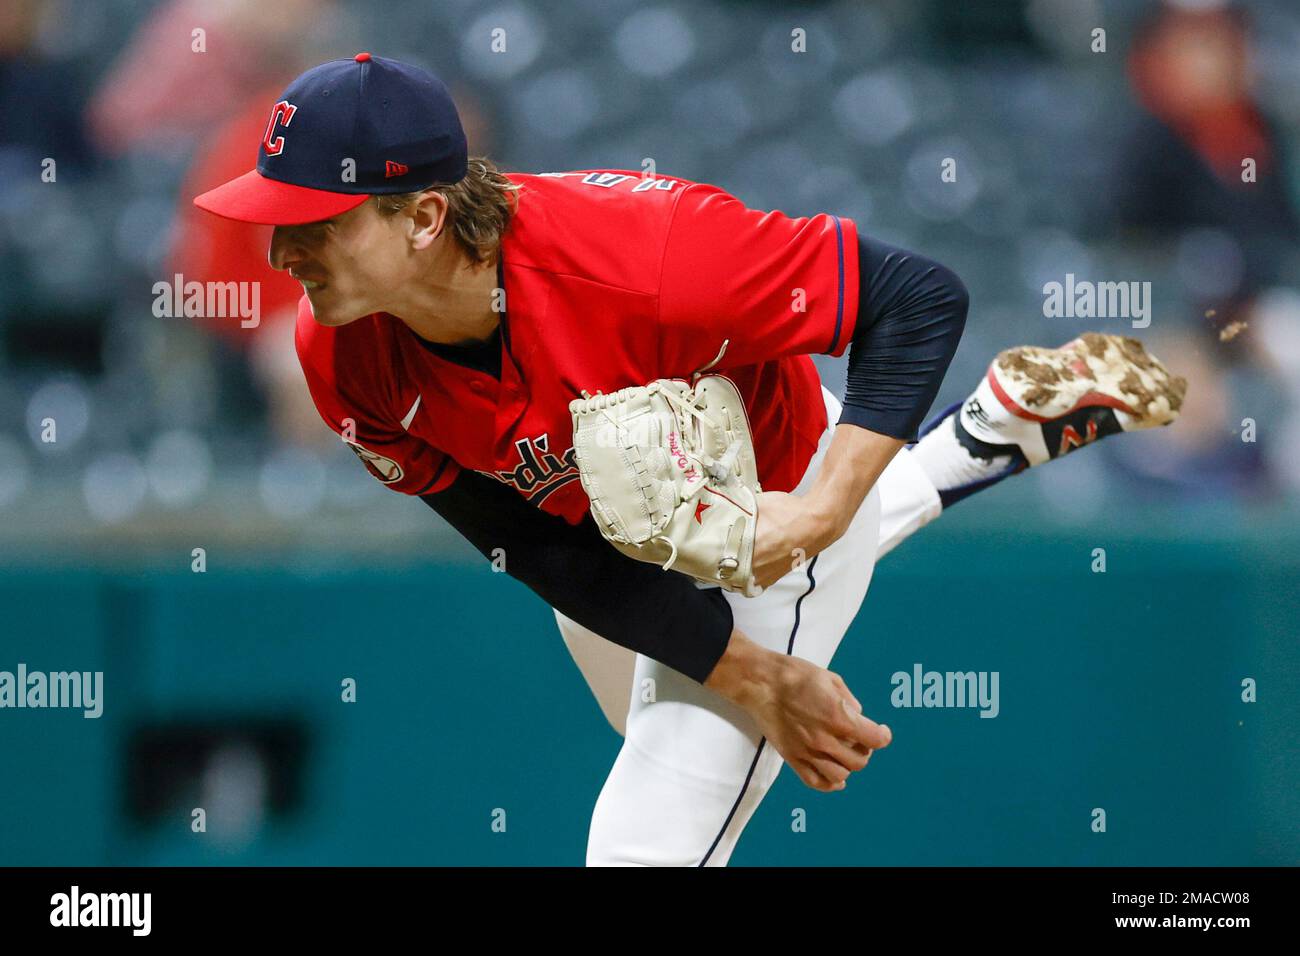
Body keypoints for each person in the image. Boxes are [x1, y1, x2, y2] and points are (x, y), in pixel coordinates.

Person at [192, 54, 1185, 866]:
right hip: (606, 533)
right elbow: (529, 545)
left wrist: (823, 512)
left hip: (769, 501)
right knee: (659, 732)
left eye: (314, 220)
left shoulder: (646, 257)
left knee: (644, 845)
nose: (281, 253)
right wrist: (754, 676)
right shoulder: (340, 355)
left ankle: (917, 480)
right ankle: (985, 435)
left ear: (421, 217)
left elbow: (917, 296)